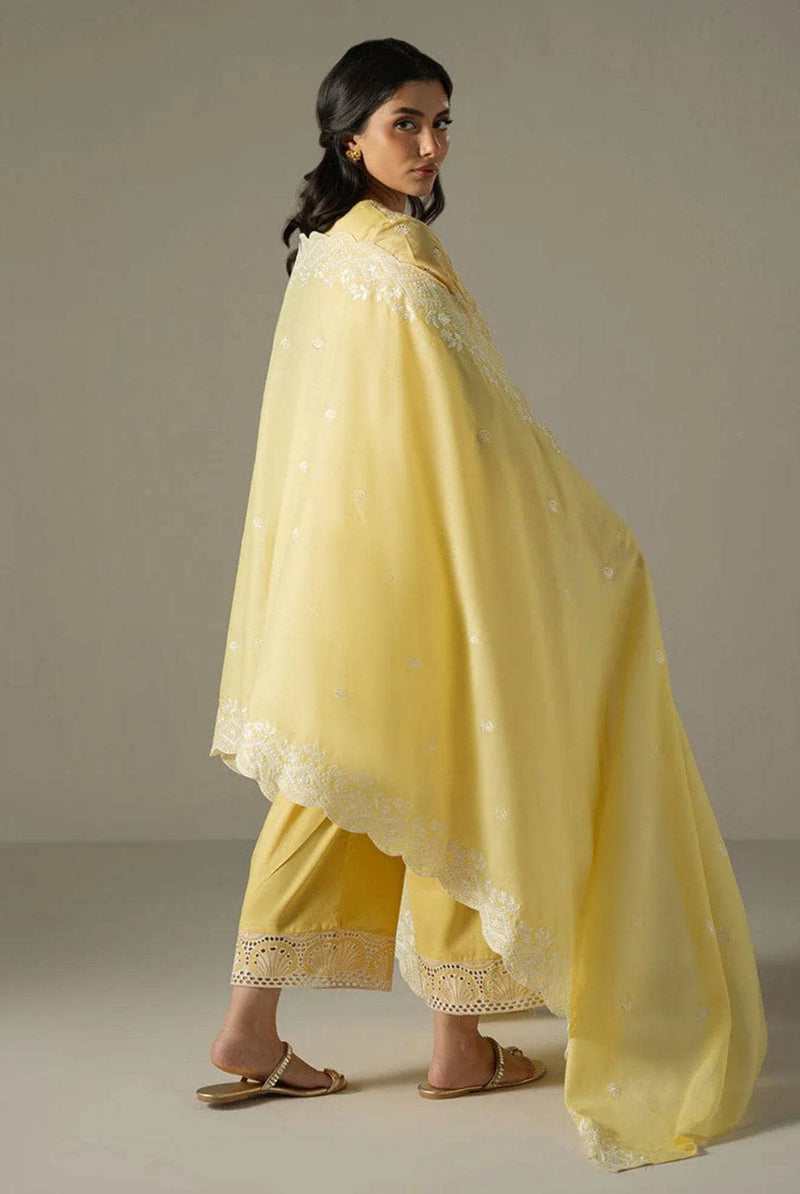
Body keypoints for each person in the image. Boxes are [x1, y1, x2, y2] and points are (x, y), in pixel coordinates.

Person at [196, 38, 768, 1172]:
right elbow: (480, 431)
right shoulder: (397, 257)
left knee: (359, 786)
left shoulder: (325, 255)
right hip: (420, 569)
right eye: (404, 122)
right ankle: (431, 1044)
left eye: (442, 122)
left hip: (344, 572)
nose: (429, 145)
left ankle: (294, 1031)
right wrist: (590, 540)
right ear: (348, 135)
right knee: (457, 776)